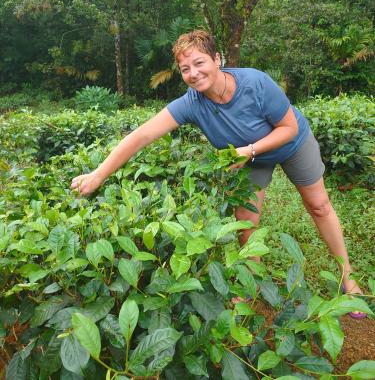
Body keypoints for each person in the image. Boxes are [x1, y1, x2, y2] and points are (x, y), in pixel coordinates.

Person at [71, 30, 365, 317]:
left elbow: (289, 129)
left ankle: (348, 279)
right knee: (245, 221)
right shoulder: (191, 103)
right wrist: (98, 174)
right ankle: (252, 284)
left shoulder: (256, 83)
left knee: (319, 205)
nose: (194, 73)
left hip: (290, 144)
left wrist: (248, 150)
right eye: (185, 68)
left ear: (217, 59)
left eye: (199, 63)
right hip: (249, 157)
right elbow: (142, 135)